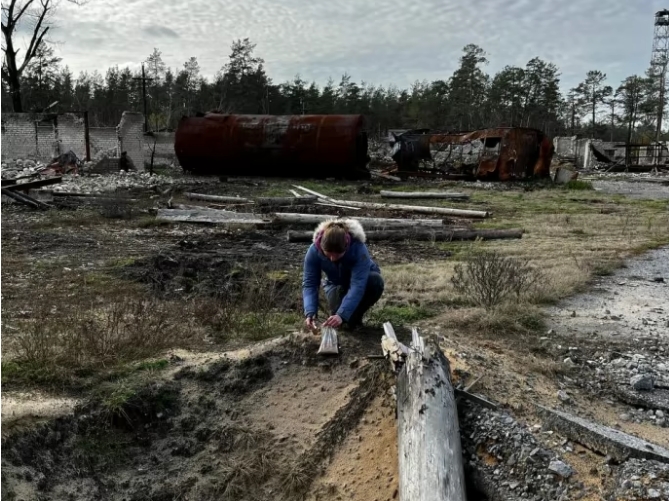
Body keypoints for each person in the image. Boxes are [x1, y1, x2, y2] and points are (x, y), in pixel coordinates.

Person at [302, 218, 384, 330]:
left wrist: (342, 314)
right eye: (329, 254)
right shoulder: (313, 251)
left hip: (365, 280)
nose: (332, 259)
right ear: (321, 246)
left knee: (376, 281)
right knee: (337, 318)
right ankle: (348, 317)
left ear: (346, 247)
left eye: (337, 254)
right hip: (335, 284)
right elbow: (310, 283)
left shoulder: (358, 249)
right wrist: (310, 311)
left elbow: (358, 285)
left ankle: (355, 317)